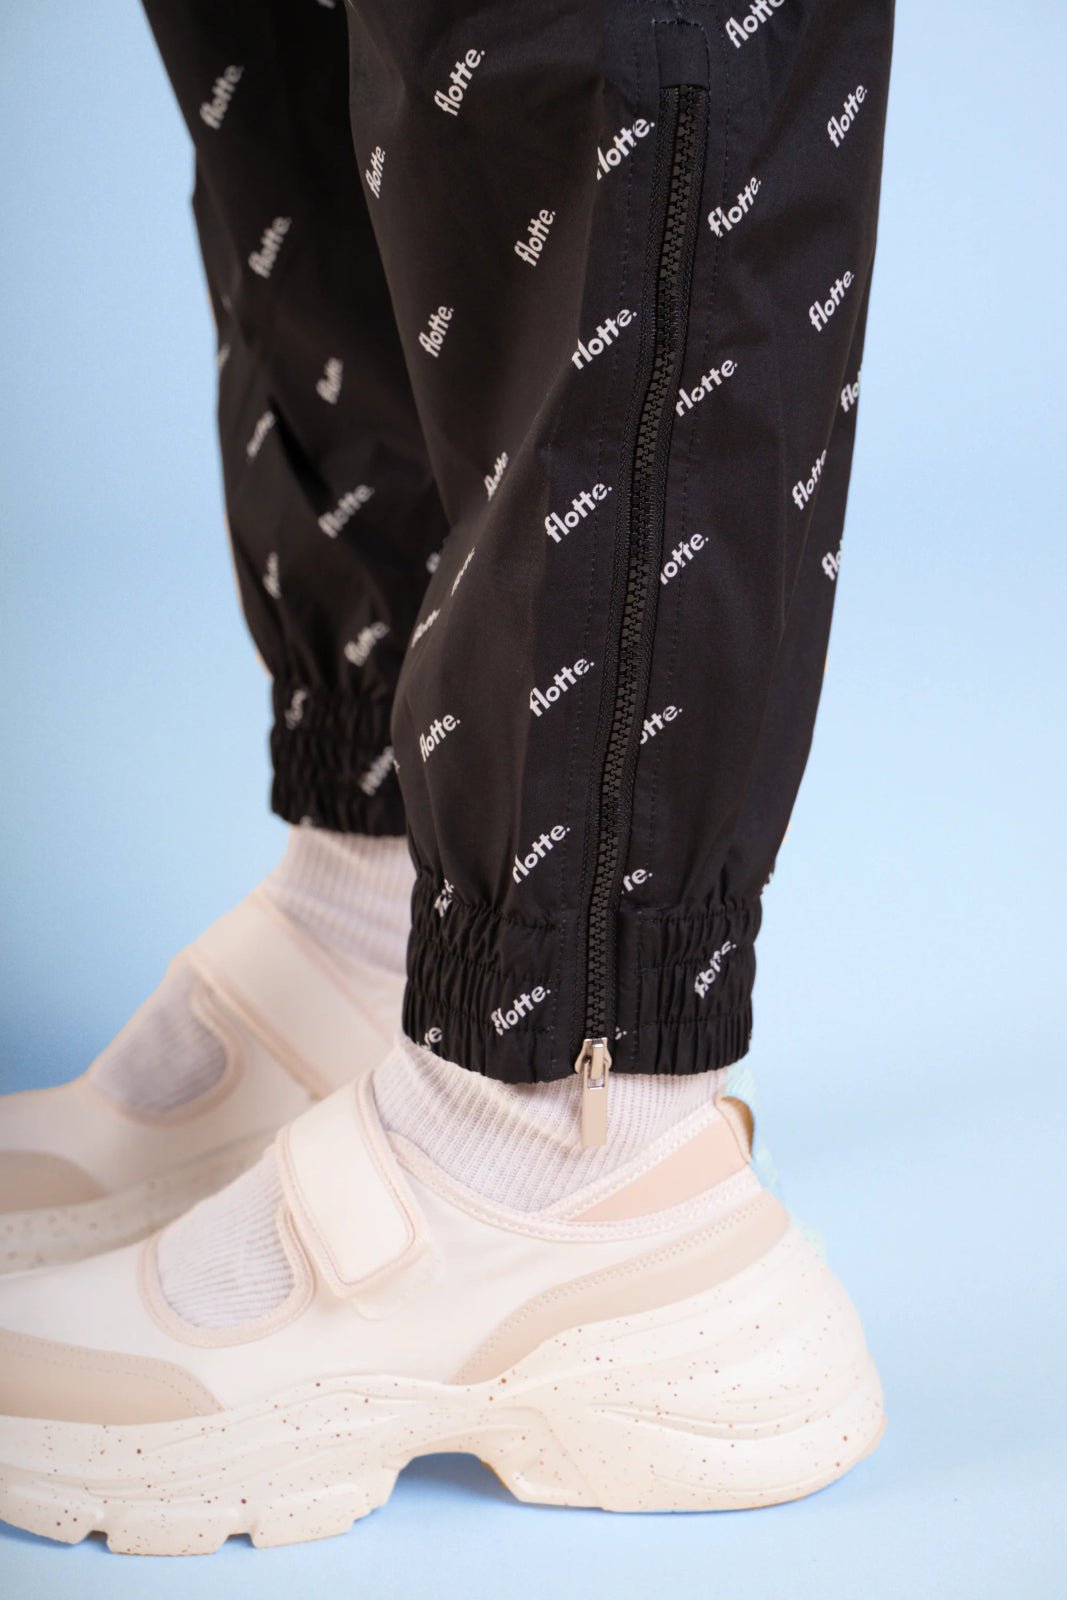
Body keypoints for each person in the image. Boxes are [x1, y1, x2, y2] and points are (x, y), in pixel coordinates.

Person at [0, 0, 894, 1550]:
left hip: (585, 1018)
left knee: (584, 31)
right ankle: (370, 911)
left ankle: (577, 1133)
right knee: (317, 53)